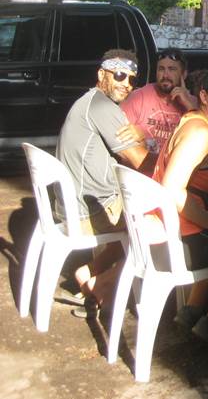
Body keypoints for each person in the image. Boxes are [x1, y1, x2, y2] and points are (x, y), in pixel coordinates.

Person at [145, 65, 208, 355]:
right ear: (203, 95)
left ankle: (192, 310)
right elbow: (173, 188)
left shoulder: (191, 121)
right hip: (176, 238)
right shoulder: (199, 133)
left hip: (170, 226)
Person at [56, 49, 151, 309]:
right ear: (102, 74)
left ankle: (89, 272)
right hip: (92, 211)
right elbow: (141, 161)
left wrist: (141, 138)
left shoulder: (88, 102)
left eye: (132, 79)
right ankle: (106, 283)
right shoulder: (102, 106)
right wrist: (166, 152)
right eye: (119, 75)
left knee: (144, 215)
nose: (126, 84)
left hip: (76, 206)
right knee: (160, 222)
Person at [120, 48, 197, 157]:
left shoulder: (194, 104)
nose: (165, 75)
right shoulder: (139, 97)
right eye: (161, 69)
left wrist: (190, 106)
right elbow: (118, 138)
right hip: (143, 168)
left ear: (183, 74)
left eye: (172, 69)